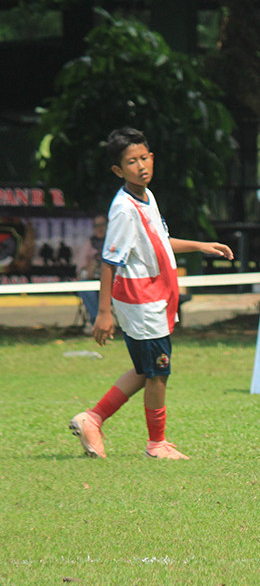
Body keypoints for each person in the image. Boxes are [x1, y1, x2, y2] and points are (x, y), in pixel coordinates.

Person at [69, 127, 234, 460]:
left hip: (154, 296)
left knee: (147, 370)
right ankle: (156, 444)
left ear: (152, 158)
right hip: (141, 299)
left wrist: (200, 245)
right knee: (159, 370)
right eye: (131, 162)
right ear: (118, 170)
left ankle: (93, 418)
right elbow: (109, 261)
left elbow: (158, 241)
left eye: (144, 157)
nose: (141, 165)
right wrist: (103, 313)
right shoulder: (124, 209)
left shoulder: (145, 196)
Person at [75, 214, 107, 333]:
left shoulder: (114, 242)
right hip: (92, 282)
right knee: (84, 287)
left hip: (112, 285)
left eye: (102, 225)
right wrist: (90, 268)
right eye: (96, 226)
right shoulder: (89, 243)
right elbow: (80, 270)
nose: (99, 228)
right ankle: (96, 321)